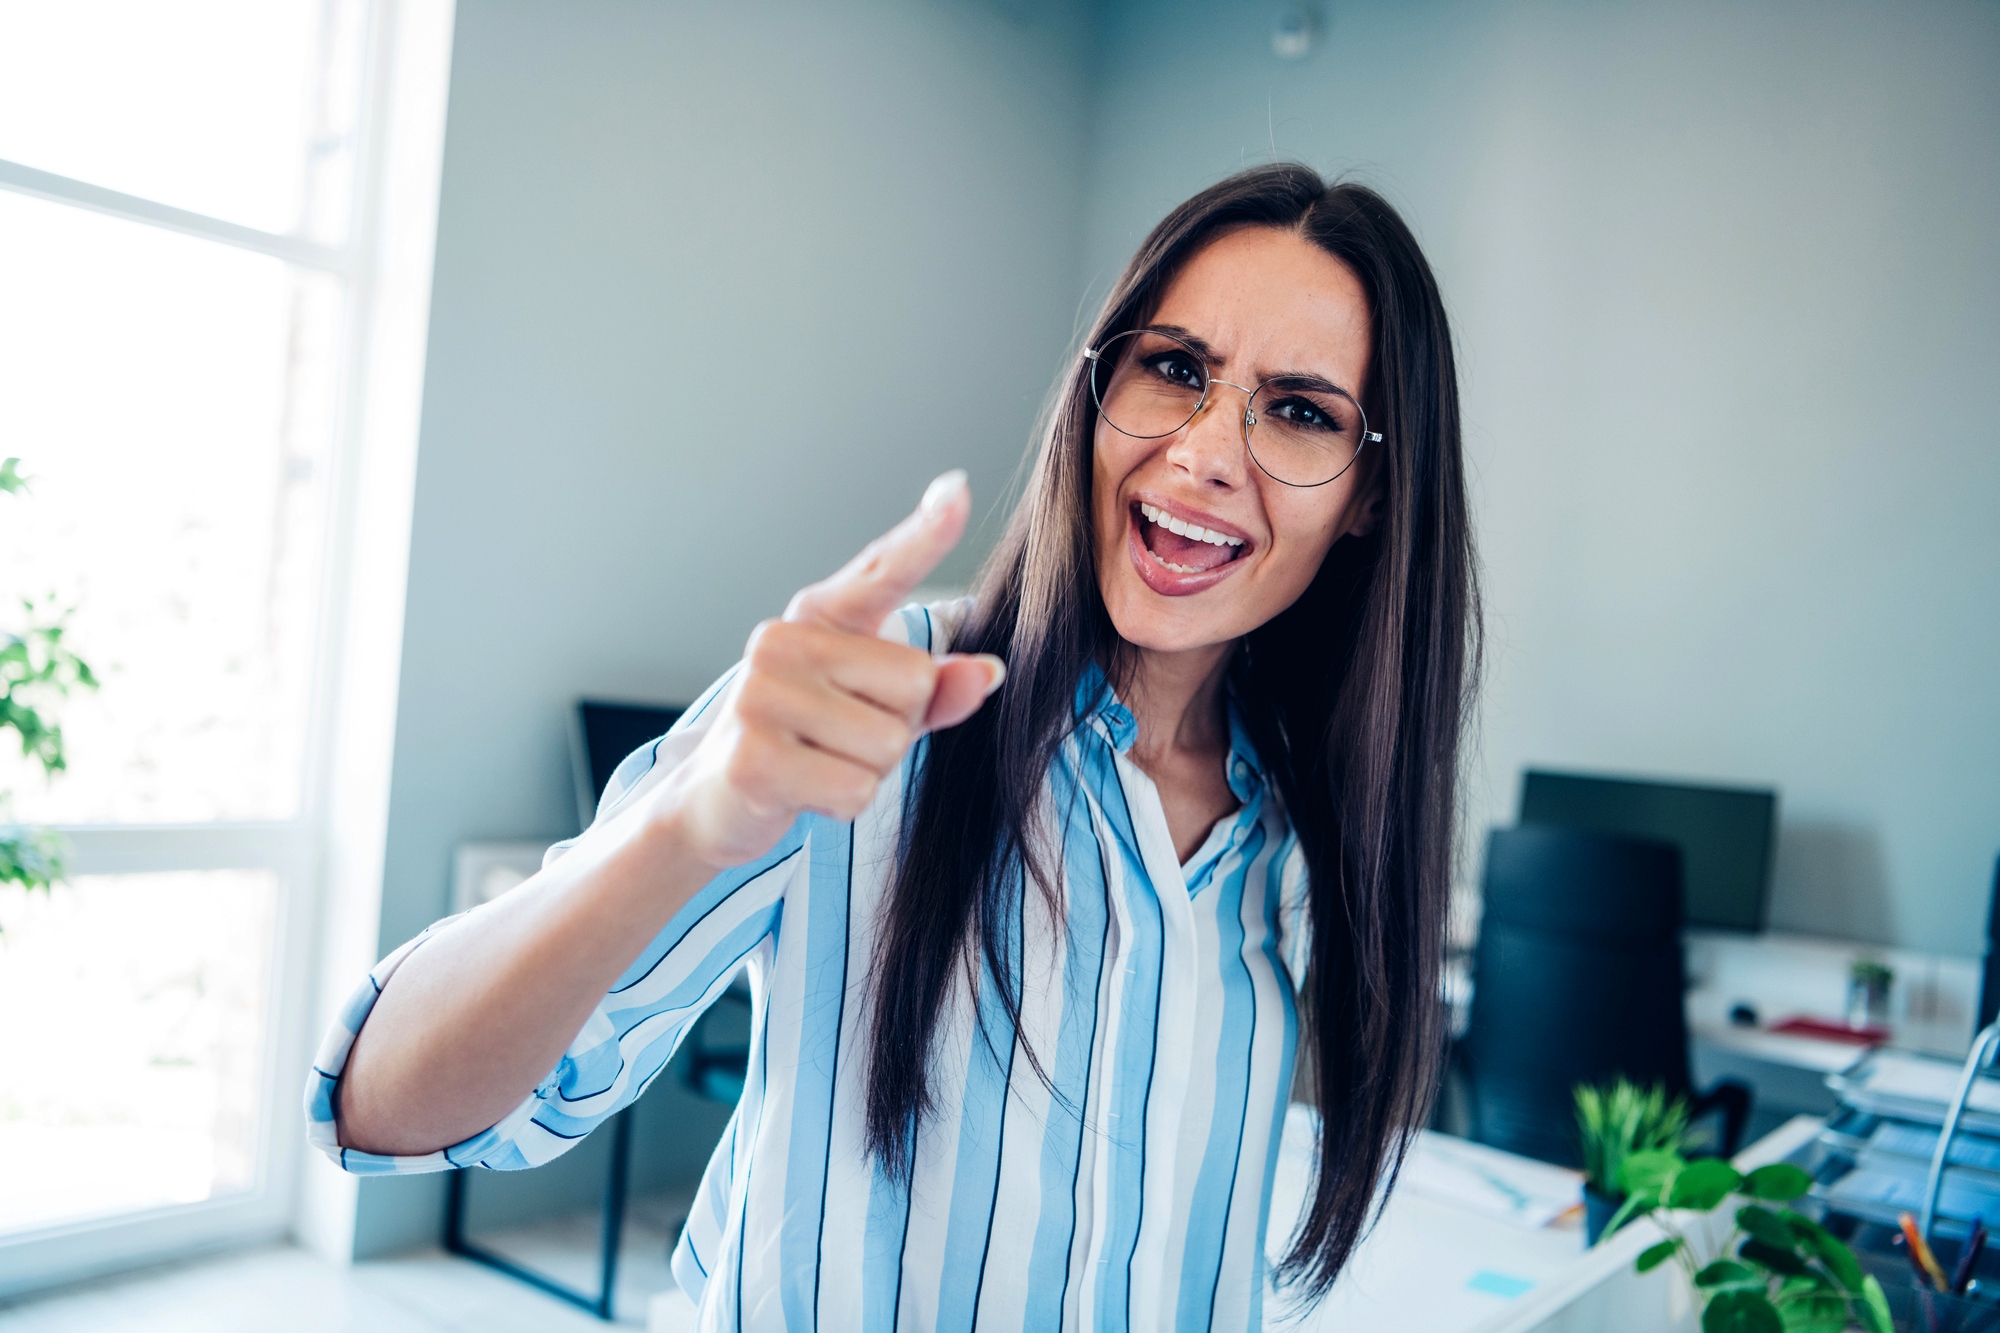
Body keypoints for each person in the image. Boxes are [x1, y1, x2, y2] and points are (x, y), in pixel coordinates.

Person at [309, 162, 1477, 1331]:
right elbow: (382, 1105)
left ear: (1371, 494)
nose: (1205, 451)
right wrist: (676, 824)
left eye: (1299, 410)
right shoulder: (873, 709)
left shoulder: (1303, 833)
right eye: (1173, 368)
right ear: (1100, 387)